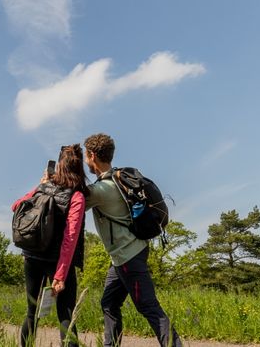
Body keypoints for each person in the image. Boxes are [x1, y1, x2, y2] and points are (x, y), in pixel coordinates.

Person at [83, 133, 182, 347]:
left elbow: (75, 200)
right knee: (109, 303)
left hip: (128, 256)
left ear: (92, 156)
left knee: (148, 306)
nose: (85, 161)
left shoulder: (102, 189)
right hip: (125, 256)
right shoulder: (116, 180)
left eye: (85, 157)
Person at [11, 144, 88, 347]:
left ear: (59, 165)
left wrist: (40, 186)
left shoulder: (43, 188)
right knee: (65, 315)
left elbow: (16, 206)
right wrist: (60, 276)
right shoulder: (77, 196)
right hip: (58, 262)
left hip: (32, 257)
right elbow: (70, 238)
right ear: (80, 167)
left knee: (31, 312)